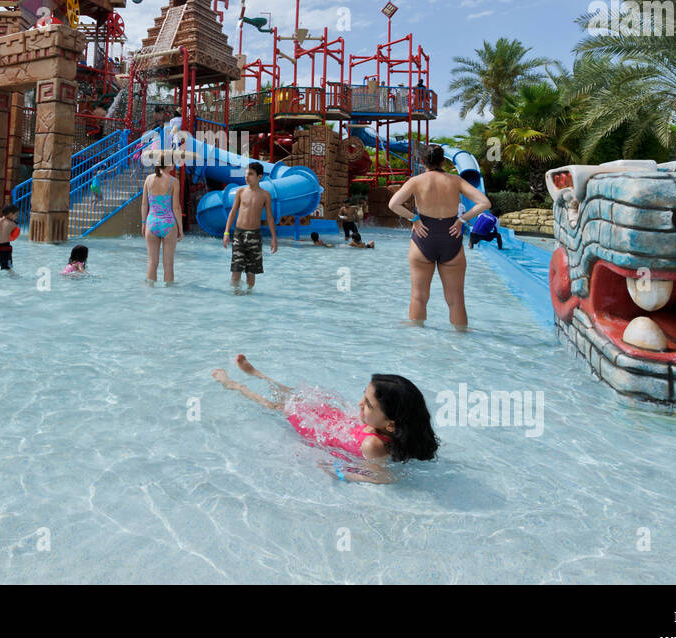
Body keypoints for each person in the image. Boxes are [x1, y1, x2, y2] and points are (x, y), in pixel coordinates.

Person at [210, 354, 439, 483]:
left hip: (322, 431)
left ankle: (234, 384)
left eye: (368, 404)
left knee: (278, 406)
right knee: (295, 397)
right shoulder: (383, 427)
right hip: (335, 421)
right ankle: (257, 374)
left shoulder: (373, 445)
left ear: (390, 424)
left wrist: (339, 472)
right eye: (364, 395)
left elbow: (382, 477)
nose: (360, 402)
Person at [387, 144, 491, 330]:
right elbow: (484, 202)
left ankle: (417, 339)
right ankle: (461, 337)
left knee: (419, 296)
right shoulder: (456, 181)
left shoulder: (416, 181)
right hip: (451, 236)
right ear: (443, 161)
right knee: (456, 299)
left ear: (422, 162)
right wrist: (462, 220)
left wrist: (415, 219)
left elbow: (393, 204)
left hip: (423, 237)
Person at [222, 161, 277, 292]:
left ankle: (249, 298)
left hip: (255, 236)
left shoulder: (265, 195)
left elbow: (269, 217)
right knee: (236, 271)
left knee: (251, 274)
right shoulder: (240, 191)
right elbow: (233, 212)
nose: (247, 177)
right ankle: (235, 295)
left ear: (259, 176)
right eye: (246, 174)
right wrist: (226, 233)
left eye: (250, 174)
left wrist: (274, 238)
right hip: (239, 234)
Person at [141, 150, 182, 283]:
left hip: (151, 222)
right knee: (168, 264)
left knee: (152, 263)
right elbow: (176, 207)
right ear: (169, 164)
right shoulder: (174, 181)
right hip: (168, 223)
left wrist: (143, 223)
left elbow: (144, 204)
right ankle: (168, 298)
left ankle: (149, 295)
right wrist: (180, 228)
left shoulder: (149, 179)